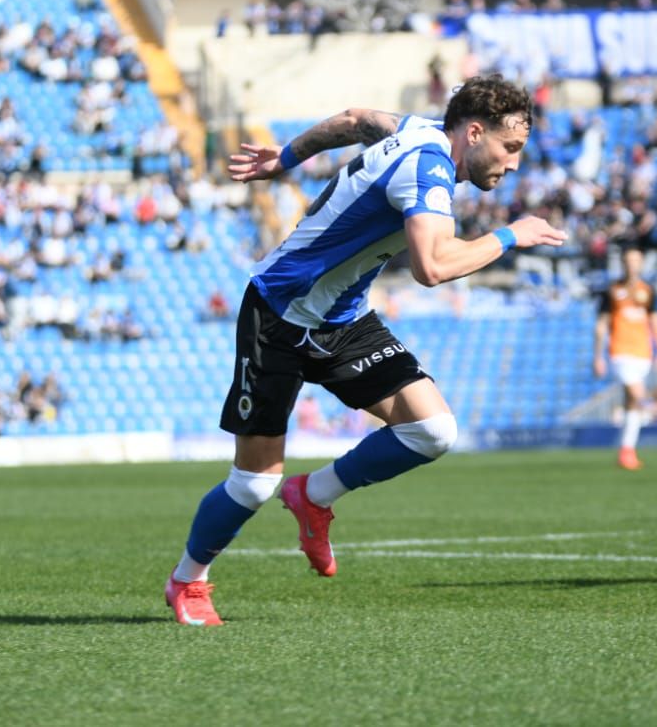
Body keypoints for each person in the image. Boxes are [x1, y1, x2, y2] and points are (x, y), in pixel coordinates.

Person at [163, 75, 566, 626]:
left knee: (432, 431)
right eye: (509, 148)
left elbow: (354, 120)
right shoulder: (429, 171)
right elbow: (432, 268)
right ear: (474, 132)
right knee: (254, 482)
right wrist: (511, 236)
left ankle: (314, 495)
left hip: (343, 319)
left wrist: (285, 156)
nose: (514, 163)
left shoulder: (418, 130)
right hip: (280, 314)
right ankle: (188, 580)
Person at [593, 243, 657, 470]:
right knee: (637, 394)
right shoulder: (612, 290)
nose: (632, 265)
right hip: (620, 351)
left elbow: (656, 321)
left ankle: (627, 450)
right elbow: (601, 325)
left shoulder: (648, 291)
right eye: (628, 261)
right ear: (623, 264)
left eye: (636, 261)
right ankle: (629, 446)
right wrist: (597, 356)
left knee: (631, 403)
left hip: (643, 353)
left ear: (641, 264)